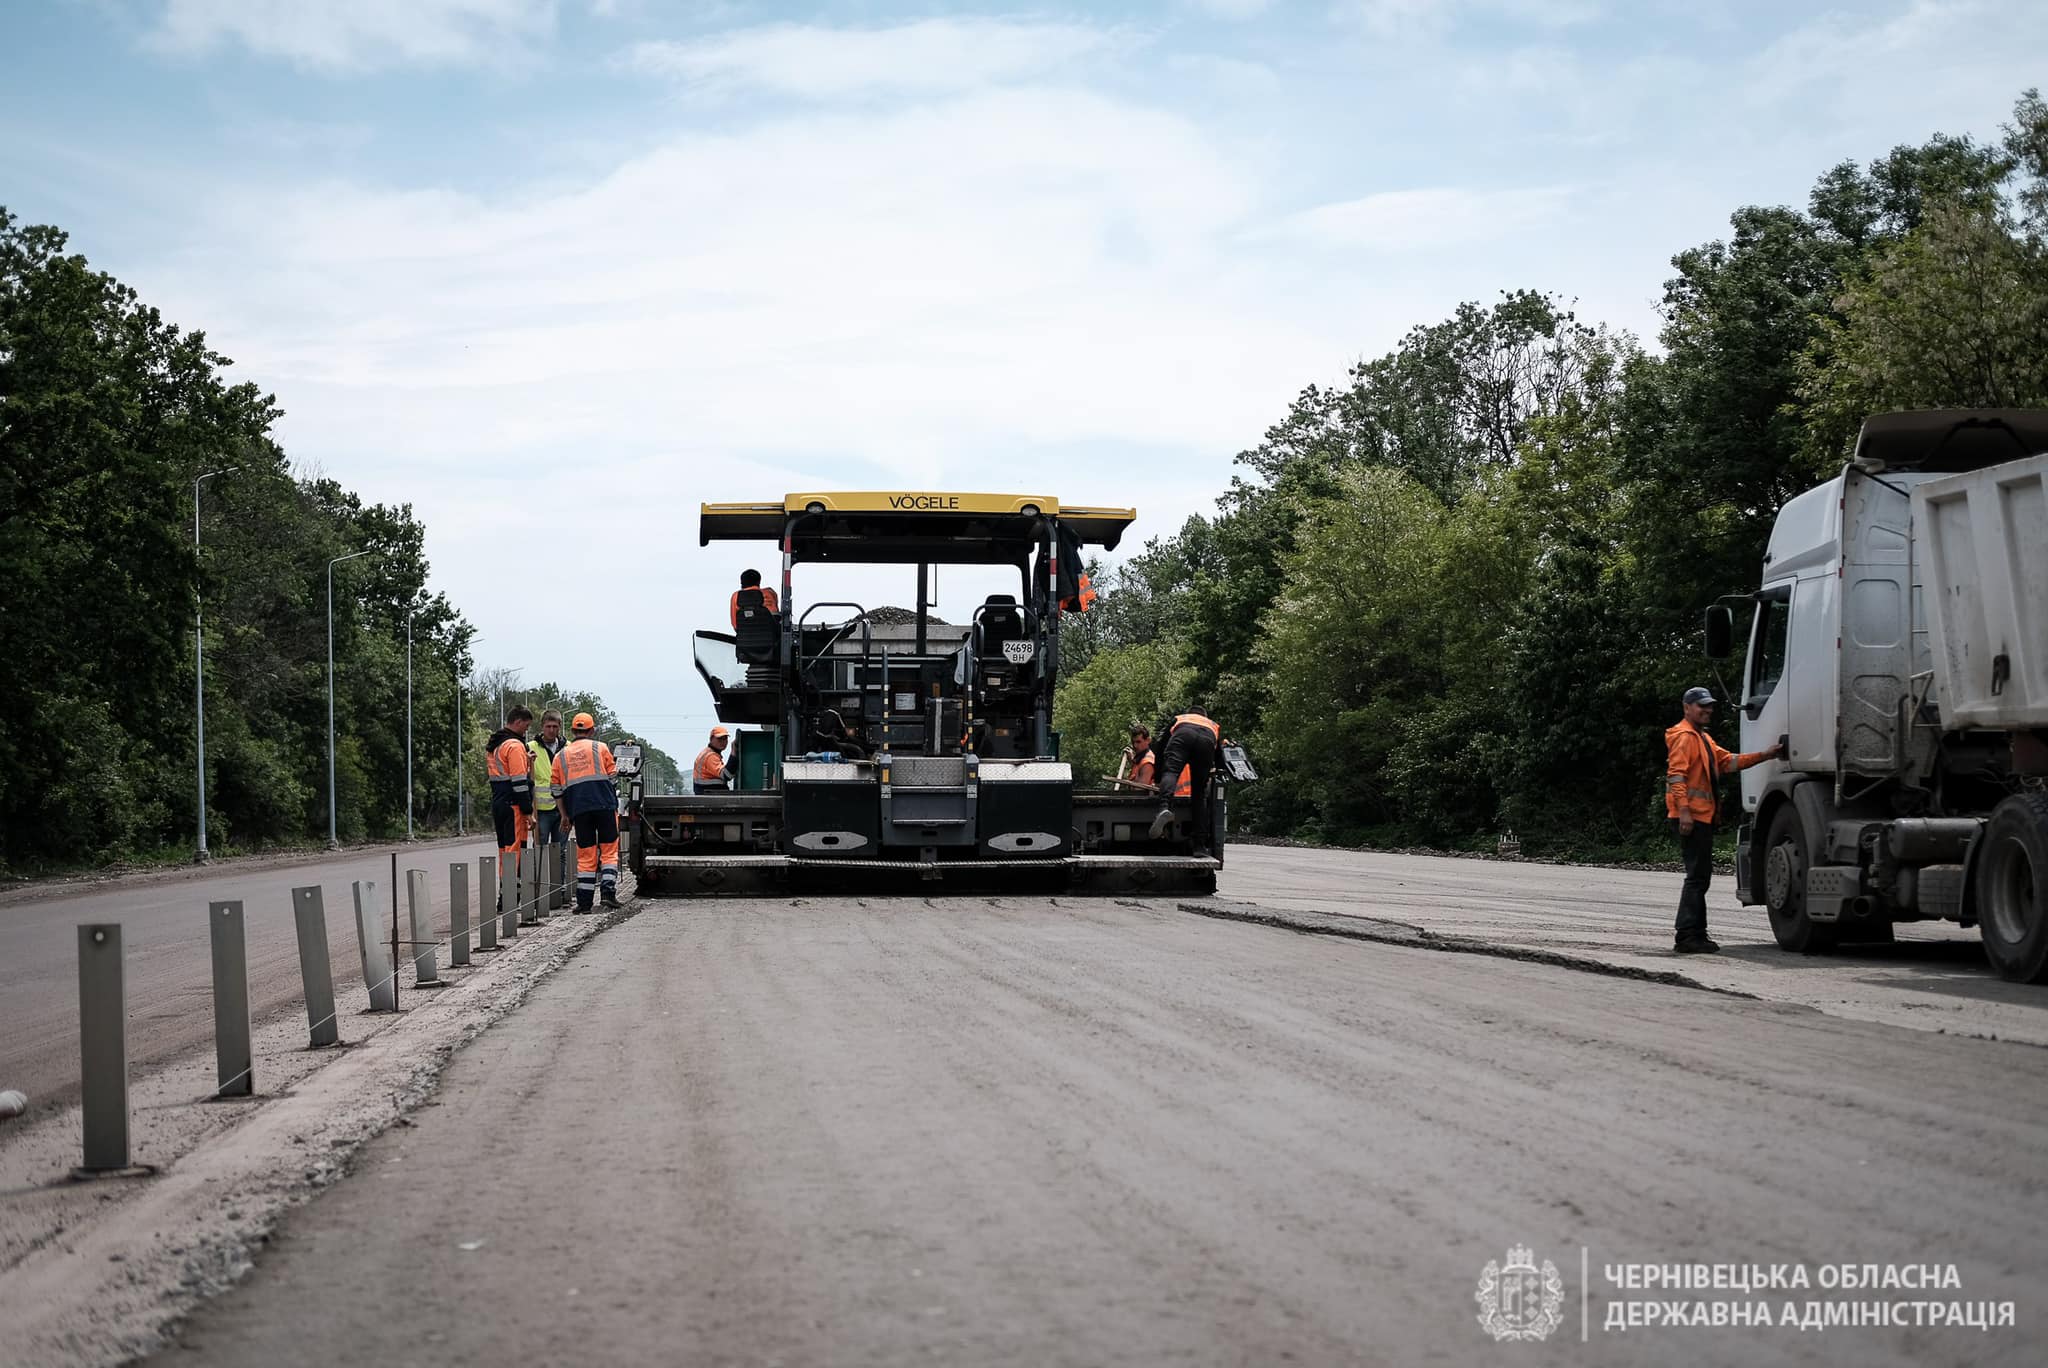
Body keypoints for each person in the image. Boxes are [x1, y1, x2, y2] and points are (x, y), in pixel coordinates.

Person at [1666, 686, 1782, 954]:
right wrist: (1684, 811)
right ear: (1687, 708)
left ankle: (1696, 933)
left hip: (1700, 816)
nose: (1707, 709)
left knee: (1700, 877)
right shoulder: (1685, 737)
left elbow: (1728, 761)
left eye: (1709, 705)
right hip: (1691, 817)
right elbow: (1676, 776)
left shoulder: (1702, 739)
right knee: (1697, 877)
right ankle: (1686, 936)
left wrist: (1766, 755)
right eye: (1700, 705)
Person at [552, 712, 622, 911]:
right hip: (605, 807)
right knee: (608, 852)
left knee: (586, 854)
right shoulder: (600, 748)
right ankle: (608, 893)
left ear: (573, 731)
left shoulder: (560, 756)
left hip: (579, 811)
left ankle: (584, 903)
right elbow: (613, 777)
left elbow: (556, 789)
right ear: (592, 730)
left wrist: (565, 815)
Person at [1148, 707, 1223, 854]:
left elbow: (1161, 747)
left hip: (1183, 736)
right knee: (1199, 794)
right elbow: (1219, 757)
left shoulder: (1180, 718)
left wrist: (1158, 776)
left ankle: (1164, 808)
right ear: (1205, 716)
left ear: (1190, 713)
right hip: (1206, 742)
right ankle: (1199, 846)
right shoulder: (1212, 725)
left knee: (1171, 772)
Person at [484, 707, 536, 881]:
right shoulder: (514, 746)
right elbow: (519, 783)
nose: (526, 730)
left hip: (499, 802)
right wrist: (528, 811)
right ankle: (510, 896)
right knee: (514, 850)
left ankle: (504, 893)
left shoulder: (496, 744)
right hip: (513, 805)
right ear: (518, 722)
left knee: (504, 849)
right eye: (526, 726)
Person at [694, 726, 732, 792]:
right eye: (719, 739)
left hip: (708, 795)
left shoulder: (707, 753)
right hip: (710, 797)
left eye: (725, 739)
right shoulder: (710, 756)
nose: (723, 742)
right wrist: (733, 754)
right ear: (711, 739)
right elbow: (727, 775)